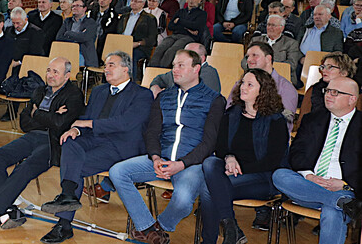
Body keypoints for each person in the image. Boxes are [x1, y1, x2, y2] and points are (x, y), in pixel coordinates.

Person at [109, 49, 227, 243]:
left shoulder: (214, 100)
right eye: (173, 65)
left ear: (196, 69)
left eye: (181, 65)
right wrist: (156, 158)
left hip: (191, 164)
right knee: (118, 172)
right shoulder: (164, 97)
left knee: (182, 200)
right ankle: (146, 227)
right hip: (161, 159)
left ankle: (159, 227)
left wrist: (181, 164)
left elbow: (209, 143)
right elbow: (152, 133)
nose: (175, 69)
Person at [39, 52, 153, 243]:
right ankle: (67, 196)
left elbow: (124, 123)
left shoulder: (142, 94)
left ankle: (64, 223)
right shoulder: (100, 91)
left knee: (73, 167)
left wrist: (88, 125)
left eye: (111, 65)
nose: (106, 69)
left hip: (119, 148)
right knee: (69, 141)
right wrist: (75, 129)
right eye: (105, 65)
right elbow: (85, 118)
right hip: (94, 140)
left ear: (126, 69)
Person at [0, 58, 85, 231]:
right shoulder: (40, 91)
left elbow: (60, 124)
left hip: (53, 142)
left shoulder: (74, 94)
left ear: (67, 75)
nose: (50, 75)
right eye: (49, 71)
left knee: (25, 167)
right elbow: (24, 122)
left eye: (56, 72)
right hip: (32, 136)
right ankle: (8, 209)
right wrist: (49, 116)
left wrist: (37, 113)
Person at [199, 69, 289, 243]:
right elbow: (221, 147)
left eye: (250, 84)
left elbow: (273, 160)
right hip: (231, 172)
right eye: (242, 83)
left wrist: (239, 169)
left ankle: (215, 239)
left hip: (262, 177)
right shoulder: (232, 113)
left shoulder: (275, 120)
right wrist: (229, 158)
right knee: (210, 162)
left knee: (208, 189)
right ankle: (231, 228)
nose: (243, 87)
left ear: (262, 90)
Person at [273, 76, 362, 244]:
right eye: (327, 91)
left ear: (352, 99)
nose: (328, 95)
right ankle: (340, 203)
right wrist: (309, 176)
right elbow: (296, 152)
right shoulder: (313, 118)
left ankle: (338, 201)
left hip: (344, 188)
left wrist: (345, 184)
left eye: (335, 92)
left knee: (332, 212)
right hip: (307, 186)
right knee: (279, 175)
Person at [241, 42, 299, 123]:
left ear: (268, 59)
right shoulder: (241, 84)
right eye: (247, 56)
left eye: (254, 55)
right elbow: (230, 111)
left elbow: (285, 125)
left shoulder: (286, 89)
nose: (249, 60)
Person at [150, 0, 207, 68]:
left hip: (189, 38)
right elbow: (170, 26)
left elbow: (196, 27)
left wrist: (180, 21)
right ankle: (151, 70)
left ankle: (161, 71)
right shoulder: (180, 11)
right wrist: (188, 27)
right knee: (160, 48)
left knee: (171, 51)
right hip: (175, 35)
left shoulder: (202, 14)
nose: (191, 0)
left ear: (200, 0)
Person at [251, 14, 304, 88]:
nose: (270, 28)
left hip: (282, 79)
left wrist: (267, 67)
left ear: (282, 28)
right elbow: (244, 61)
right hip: (257, 77)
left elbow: (292, 65)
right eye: (268, 25)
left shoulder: (291, 43)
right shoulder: (256, 40)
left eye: (273, 25)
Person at [150, 42, 221, 97]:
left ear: (202, 58)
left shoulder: (209, 73)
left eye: (190, 55)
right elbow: (160, 79)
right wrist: (155, 88)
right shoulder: (180, 69)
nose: (184, 57)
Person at [300, 52, 356, 118]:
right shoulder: (314, 89)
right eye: (323, 67)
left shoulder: (355, 92)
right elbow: (302, 119)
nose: (323, 70)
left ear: (344, 72)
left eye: (330, 67)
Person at [116, 0, 158, 81]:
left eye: (137, 1)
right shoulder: (124, 16)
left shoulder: (149, 18)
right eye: (132, 1)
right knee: (111, 54)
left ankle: (131, 83)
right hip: (121, 44)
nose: (134, 3)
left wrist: (138, 43)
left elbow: (152, 39)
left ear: (143, 4)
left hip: (139, 47)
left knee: (131, 56)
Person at [56, 0, 99, 67]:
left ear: (84, 8)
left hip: (82, 53)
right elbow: (59, 37)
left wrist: (69, 33)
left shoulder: (90, 22)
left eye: (78, 6)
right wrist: (78, 37)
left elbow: (85, 38)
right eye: (73, 6)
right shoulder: (67, 21)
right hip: (67, 51)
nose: (74, 8)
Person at [4, 8, 43, 77]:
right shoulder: (8, 30)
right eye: (13, 23)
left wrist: (19, 62)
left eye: (18, 23)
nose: (16, 26)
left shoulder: (36, 32)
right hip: (8, 64)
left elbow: (35, 52)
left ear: (25, 20)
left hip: (26, 65)